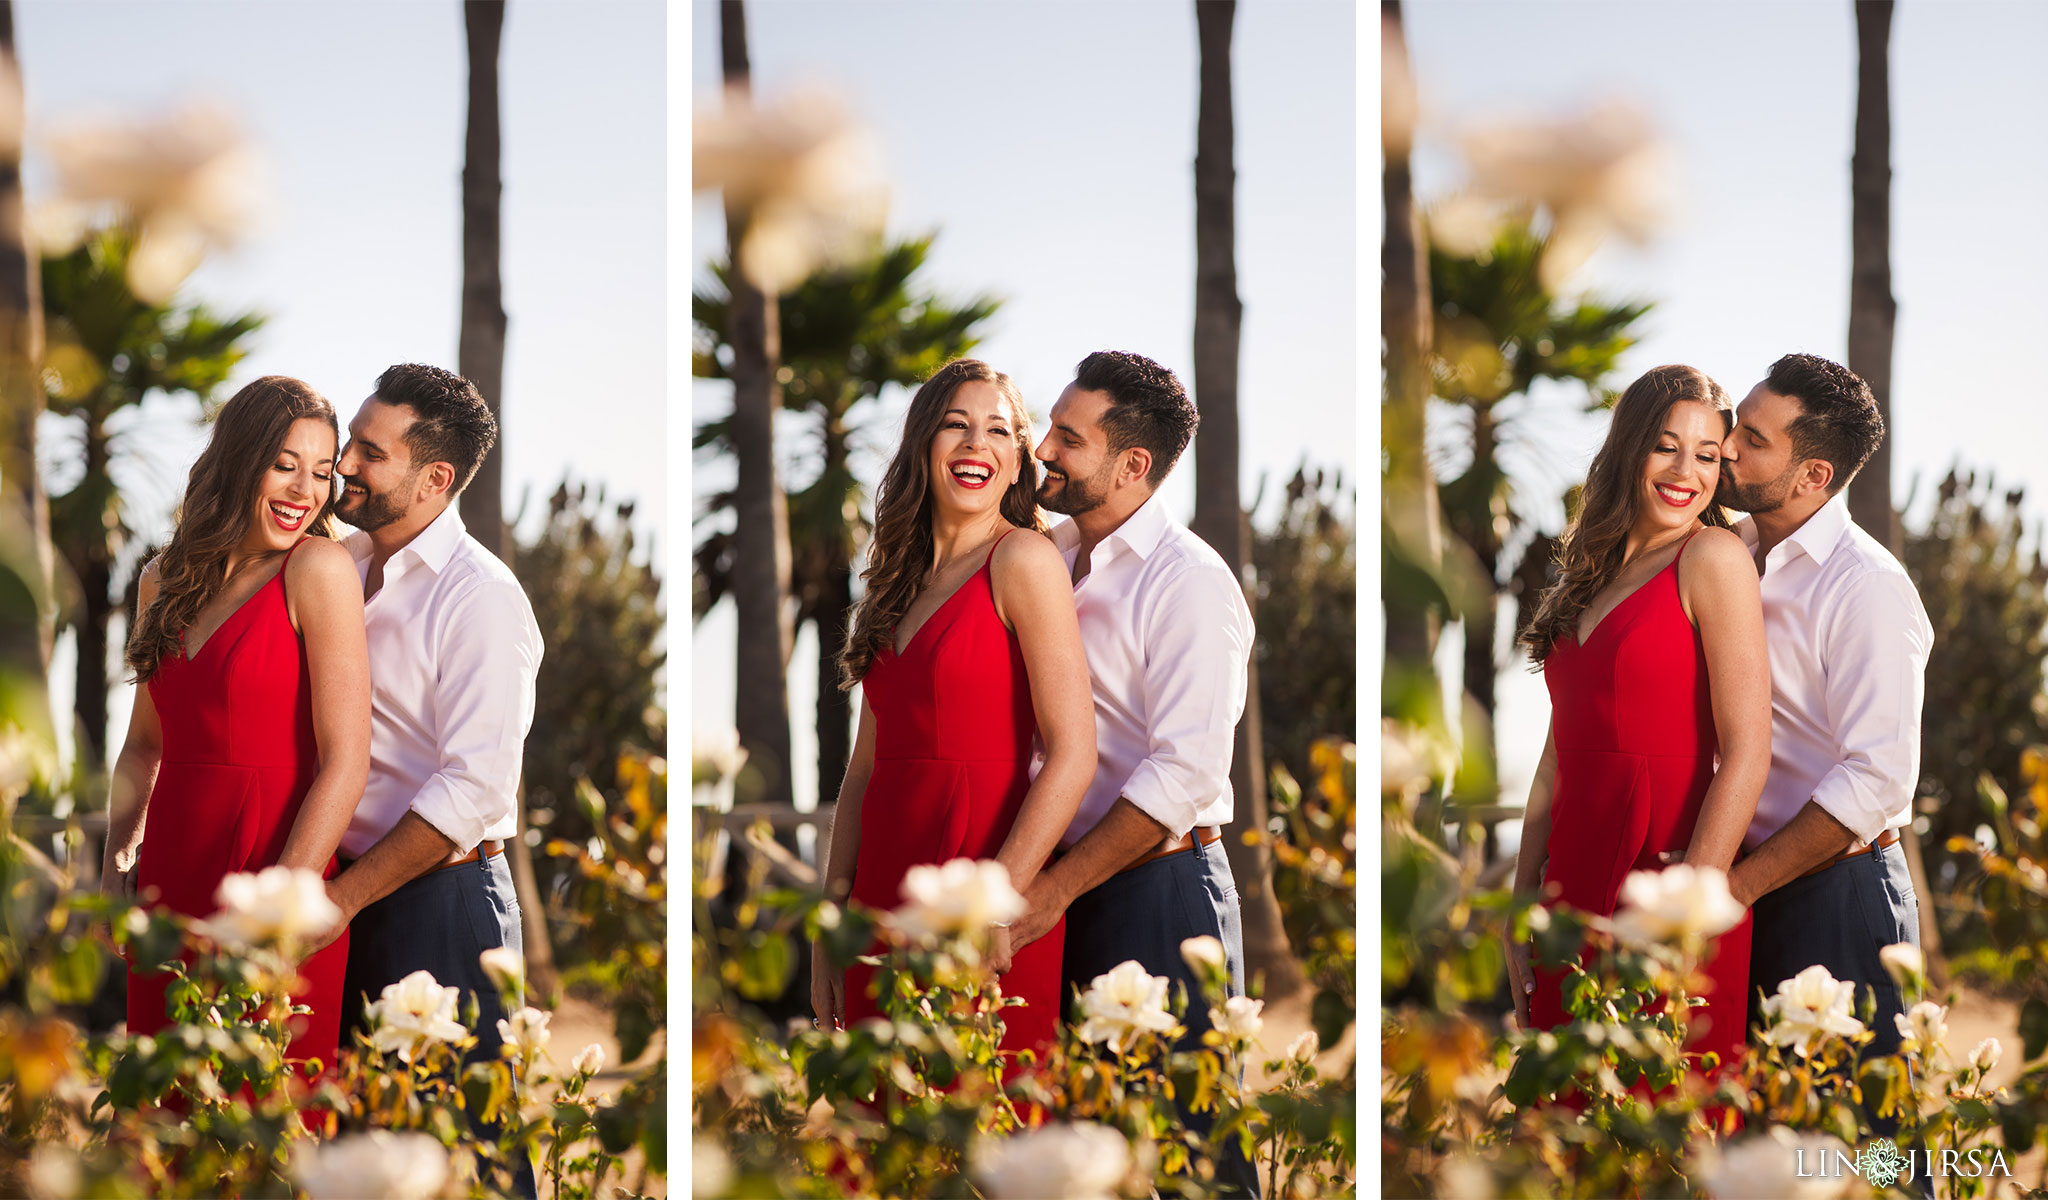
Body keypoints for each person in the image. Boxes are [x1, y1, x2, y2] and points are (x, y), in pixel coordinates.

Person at [1003, 350, 1262, 1198]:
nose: (1042, 448)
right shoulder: (1048, 555)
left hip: (1163, 892)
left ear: (1132, 465)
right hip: (1075, 891)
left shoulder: (1189, 583)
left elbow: (1185, 771)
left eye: (1068, 439)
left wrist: (1052, 893)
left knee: (1194, 1160)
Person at [810, 358, 1096, 1071]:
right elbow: (864, 772)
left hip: (982, 887)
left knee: (981, 1132)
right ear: (924, 445)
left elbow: (1073, 753)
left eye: (999, 430)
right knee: (880, 1147)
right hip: (883, 892)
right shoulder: (894, 585)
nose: (977, 444)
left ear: (1015, 461)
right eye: (956, 425)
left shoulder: (1024, 560)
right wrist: (831, 921)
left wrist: (1000, 901)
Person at [297, 364, 543, 1194]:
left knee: (465, 1163)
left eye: (370, 452)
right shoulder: (336, 563)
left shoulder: (482, 598)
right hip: (350, 901)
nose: (345, 466)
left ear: (435, 479)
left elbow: (475, 790)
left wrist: (342, 901)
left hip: (442, 912)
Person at [1506, 364, 1770, 1078]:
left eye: (1708, 455)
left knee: (1662, 1130)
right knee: (1567, 1134)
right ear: (1629, 449)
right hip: (1572, 882)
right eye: (1666, 445)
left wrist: (1685, 917)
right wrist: (1524, 896)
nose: (1686, 470)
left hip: (1668, 878)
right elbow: (1559, 754)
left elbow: (1748, 750)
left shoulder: (1711, 557)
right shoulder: (1585, 576)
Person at [105, 376, 371, 1076]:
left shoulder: (317, 568)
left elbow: (347, 760)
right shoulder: (162, 579)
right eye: (284, 465)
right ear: (239, 459)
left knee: (264, 1126)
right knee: (164, 1122)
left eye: (321, 472)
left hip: (275, 871)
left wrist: (279, 915)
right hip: (170, 879)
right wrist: (114, 862)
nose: (304, 491)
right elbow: (141, 744)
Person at [1716, 354, 1931, 1140]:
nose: (1727, 446)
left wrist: (1737, 889)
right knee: (1774, 1149)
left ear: (1812, 474)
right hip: (1748, 888)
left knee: (1869, 1149)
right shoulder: (1727, 554)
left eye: (1752, 438)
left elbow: (1877, 776)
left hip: (1840, 899)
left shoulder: (1866, 585)